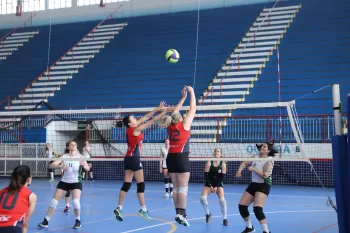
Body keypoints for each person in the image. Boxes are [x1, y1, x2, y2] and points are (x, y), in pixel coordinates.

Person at [113, 102, 174, 222]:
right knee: (141, 185)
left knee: (127, 184)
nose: (136, 119)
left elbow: (146, 117)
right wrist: (165, 112)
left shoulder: (130, 129)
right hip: (135, 159)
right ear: (130, 123)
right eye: (133, 118)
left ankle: (119, 207)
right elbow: (151, 121)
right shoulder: (136, 129)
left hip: (128, 159)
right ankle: (143, 209)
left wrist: (158, 108)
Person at [157, 86, 196, 227]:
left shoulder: (171, 124)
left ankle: (177, 212)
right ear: (180, 118)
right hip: (181, 157)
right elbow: (193, 108)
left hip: (171, 158)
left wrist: (183, 98)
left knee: (175, 187)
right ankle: (182, 214)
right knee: (183, 188)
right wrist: (191, 92)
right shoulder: (184, 124)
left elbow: (174, 112)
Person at [38, 140, 90, 229]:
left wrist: (84, 166)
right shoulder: (64, 156)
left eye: (75, 145)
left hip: (76, 181)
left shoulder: (80, 157)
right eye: (71, 145)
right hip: (64, 181)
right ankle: (46, 221)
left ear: (76, 147)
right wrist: (60, 166)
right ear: (68, 147)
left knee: (75, 202)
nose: (73, 146)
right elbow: (52, 165)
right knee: (53, 202)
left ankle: (78, 221)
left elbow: (88, 169)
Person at [235, 141, 277, 233]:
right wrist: (239, 171)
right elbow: (244, 163)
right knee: (242, 206)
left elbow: (265, 175)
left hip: (264, 184)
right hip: (254, 183)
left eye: (265, 147)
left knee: (257, 208)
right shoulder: (255, 156)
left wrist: (254, 169)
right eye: (262, 146)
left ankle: (266, 231)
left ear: (268, 150)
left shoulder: (269, 160)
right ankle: (249, 228)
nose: (262, 147)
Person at [0, 165, 37, 233]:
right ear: (29, 179)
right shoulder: (31, 196)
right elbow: (25, 225)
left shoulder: (1, 192)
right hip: (13, 227)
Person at [200, 148, 228, 226]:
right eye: (215, 151)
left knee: (222, 200)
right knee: (202, 198)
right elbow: (206, 175)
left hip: (218, 184)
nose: (216, 152)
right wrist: (210, 186)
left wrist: (217, 186)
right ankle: (208, 213)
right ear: (213, 153)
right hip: (209, 184)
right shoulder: (209, 162)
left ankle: (225, 219)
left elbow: (222, 177)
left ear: (220, 154)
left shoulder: (223, 164)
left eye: (218, 151)